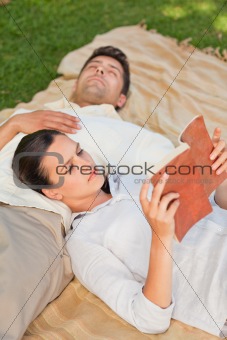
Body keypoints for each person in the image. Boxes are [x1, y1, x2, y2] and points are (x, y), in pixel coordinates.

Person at [12, 127, 227, 337]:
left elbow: (217, 206)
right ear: (52, 192)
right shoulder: (83, 242)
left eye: (79, 151)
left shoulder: (131, 178)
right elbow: (149, 319)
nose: (85, 164)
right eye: (68, 168)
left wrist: (220, 173)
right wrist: (160, 237)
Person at [0, 46, 130, 150]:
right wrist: (14, 124)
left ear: (121, 99)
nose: (100, 69)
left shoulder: (124, 135)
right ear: (75, 85)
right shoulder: (28, 115)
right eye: (93, 66)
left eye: (112, 72)